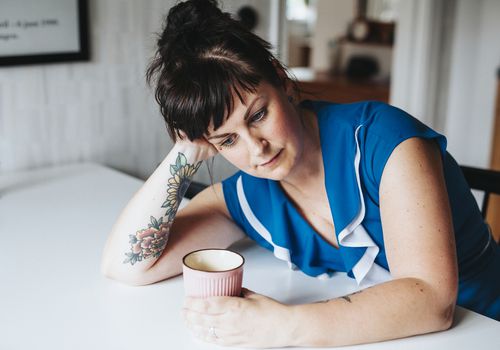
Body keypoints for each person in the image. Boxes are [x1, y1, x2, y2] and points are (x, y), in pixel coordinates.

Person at [101, 0, 500, 347]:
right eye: (226, 141)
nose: (256, 148)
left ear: (282, 80)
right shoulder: (250, 193)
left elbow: (432, 300)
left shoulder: (385, 142)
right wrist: (184, 153)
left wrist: (284, 325)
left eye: (259, 115)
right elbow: (129, 265)